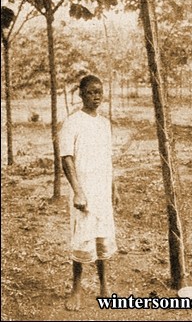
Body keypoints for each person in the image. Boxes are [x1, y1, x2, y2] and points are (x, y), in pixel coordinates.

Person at [59, 74, 118, 311]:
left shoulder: (104, 123)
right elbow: (66, 158)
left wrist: (114, 186)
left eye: (99, 92)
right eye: (91, 92)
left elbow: (108, 158)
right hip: (84, 190)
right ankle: (76, 288)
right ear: (81, 94)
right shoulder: (72, 122)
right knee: (83, 237)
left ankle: (104, 286)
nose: (96, 97)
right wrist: (78, 191)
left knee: (103, 235)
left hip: (102, 189)